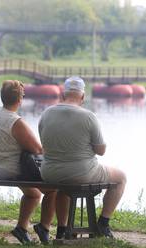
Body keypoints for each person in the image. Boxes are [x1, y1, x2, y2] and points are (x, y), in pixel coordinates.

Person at [38, 76, 126, 239]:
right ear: (83, 97)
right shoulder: (88, 116)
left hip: (49, 172)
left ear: (63, 95)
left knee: (63, 186)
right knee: (121, 177)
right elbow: (100, 151)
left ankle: (62, 229)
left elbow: (44, 144)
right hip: (81, 173)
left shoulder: (46, 113)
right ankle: (103, 224)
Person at [0, 80, 56, 244]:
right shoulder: (15, 121)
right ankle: (44, 227)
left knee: (33, 193)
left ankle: (21, 228)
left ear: (3, 97)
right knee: (54, 190)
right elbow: (37, 149)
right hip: (13, 169)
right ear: (20, 100)